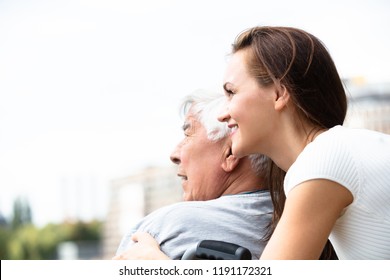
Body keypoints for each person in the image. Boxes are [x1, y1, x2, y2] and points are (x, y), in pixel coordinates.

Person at [216, 26, 390, 259]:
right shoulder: (345, 148)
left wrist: (156, 262)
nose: (221, 114)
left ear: (279, 93)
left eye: (231, 92)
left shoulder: (326, 156)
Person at [113, 90, 273, 260]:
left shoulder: (165, 229)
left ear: (230, 153)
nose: (174, 154)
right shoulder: (294, 219)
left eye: (188, 135)